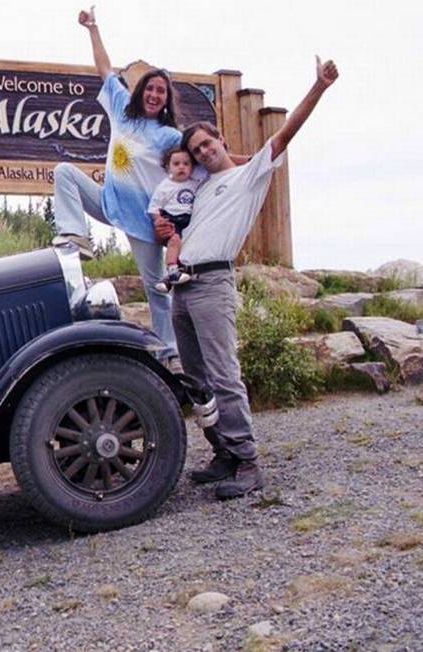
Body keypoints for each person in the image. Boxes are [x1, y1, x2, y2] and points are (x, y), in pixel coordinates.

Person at [160, 56, 340, 500]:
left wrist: (318, 87)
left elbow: (285, 134)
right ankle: (222, 452)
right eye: (197, 150)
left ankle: (248, 462)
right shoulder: (198, 187)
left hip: (213, 285)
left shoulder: (249, 176)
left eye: (207, 145)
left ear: (220, 139)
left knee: (223, 375)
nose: (203, 152)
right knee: (196, 379)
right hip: (182, 288)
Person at [53, 6, 184, 357]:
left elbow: (203, 156)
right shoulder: (122, 109)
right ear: (141, 91)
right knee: (64, 172)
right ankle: (74, 236)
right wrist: (92, 29)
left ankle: (169, 350)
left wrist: (247, 162)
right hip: (110, 204)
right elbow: (104, 69)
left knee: (156, 286)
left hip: (143, 220)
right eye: (151, 89)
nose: (155, 95)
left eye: (161, 91)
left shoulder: (169, 136)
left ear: (167, 99)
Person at [148, 146, 201, 292]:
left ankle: (168, 281)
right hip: (172, 219)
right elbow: (154, 207)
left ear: (192, 167)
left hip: (190, 220)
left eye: (186, 164)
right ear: (168, 167)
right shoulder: (165, 186)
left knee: (186, 248)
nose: (181, 167)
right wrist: (159, 220)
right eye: (176, 164)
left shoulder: (196, 184)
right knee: (175, 241)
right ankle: (172, 270)